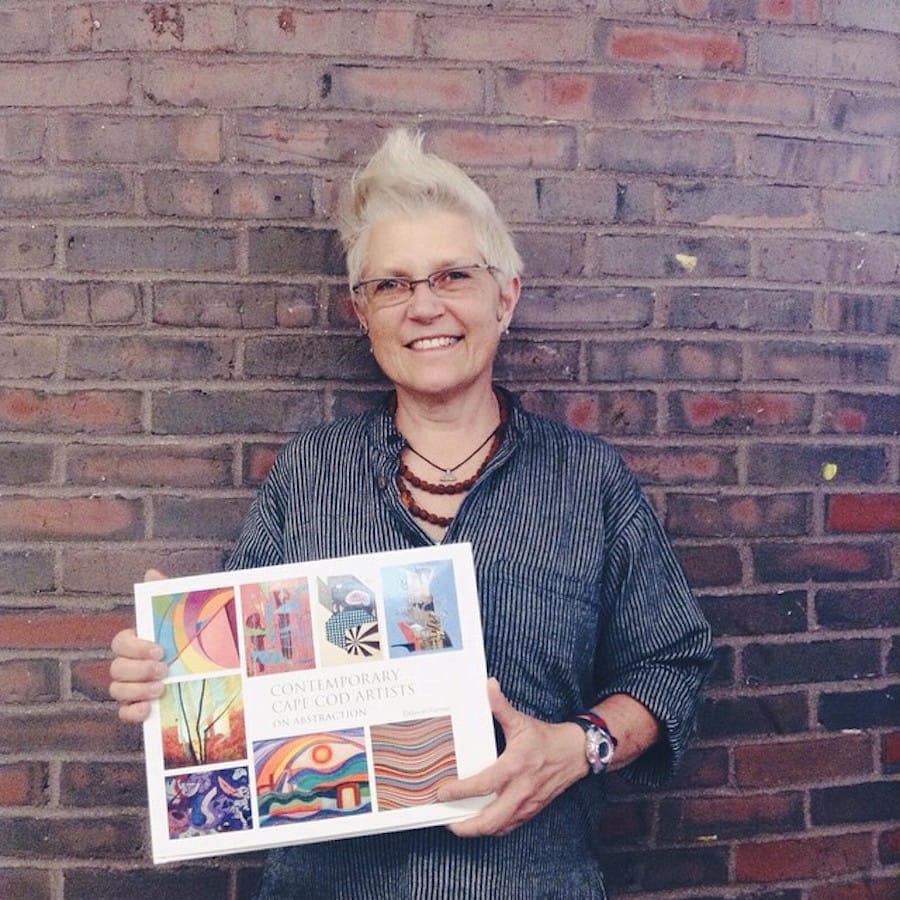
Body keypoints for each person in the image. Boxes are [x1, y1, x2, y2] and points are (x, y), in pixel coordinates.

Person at [109, 129, 714, 899]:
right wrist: (166, 673)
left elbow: (672, 662)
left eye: (452, 275)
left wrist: (580, 745)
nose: (424, 305)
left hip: (529, 883)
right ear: (361, 313)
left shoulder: (586, 480)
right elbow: (231, 677)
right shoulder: (311, 474)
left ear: (506, 294)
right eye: (390, 284)